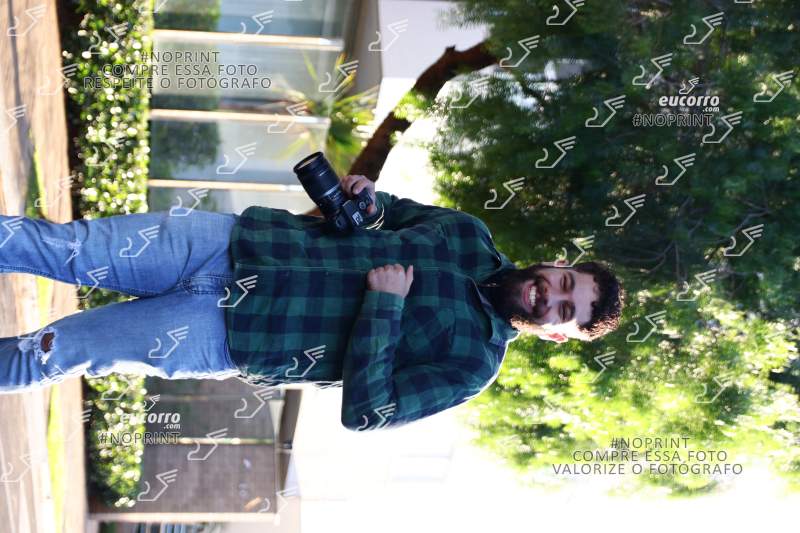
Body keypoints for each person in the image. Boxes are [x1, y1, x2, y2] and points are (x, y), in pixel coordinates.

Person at [0, 174, 624, 431]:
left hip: (225, 332)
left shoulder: (472, 365)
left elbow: (369, 412)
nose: (553, 297)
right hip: (233, 243)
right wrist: (364, 196)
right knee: (65, 247)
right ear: (558, 265)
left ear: (556, 333)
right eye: (566, 283)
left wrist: (385, 307)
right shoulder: (467, 233)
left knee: (55, 349)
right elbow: (387, 212)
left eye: (565, 312)